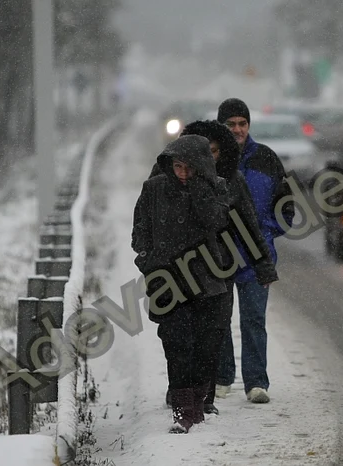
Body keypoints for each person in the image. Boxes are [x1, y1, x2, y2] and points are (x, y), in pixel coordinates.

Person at [148, 120, 279, 415]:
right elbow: (147, 217)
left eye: (214, 151)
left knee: (211, 335)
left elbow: (247, 223)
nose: (208, 157)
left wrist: (263, 267)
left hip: (216, 269)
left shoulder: (229, 180)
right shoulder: (164, 176)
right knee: (176, 335)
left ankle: (203, 396)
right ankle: (180, 390)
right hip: (172, 271)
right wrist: (149, 260)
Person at [131, 135, 229, 433]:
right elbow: (140, 232)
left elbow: (216, 221)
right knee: (176, 344)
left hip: (207, 281)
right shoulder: (154, 189)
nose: (182, 173)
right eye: (177, 167)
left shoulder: (217, 188)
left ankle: (198, 404)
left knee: (205, 346)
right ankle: (183, 412)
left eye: (189, 167)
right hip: (168, 282)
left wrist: (200, 189)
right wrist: (148, 262)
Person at [214, 98, 295, 404]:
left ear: (249, 125)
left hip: (256, 257)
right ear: (221, 126)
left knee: (253, 320)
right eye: (231, 124)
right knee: (219, 321)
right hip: (218, 257)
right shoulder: (211, 159)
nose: (237, 130)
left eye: (242, 123)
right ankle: (222, 379)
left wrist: (266, 232)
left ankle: (256, 383)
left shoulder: (266, 158)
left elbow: (286, 206)